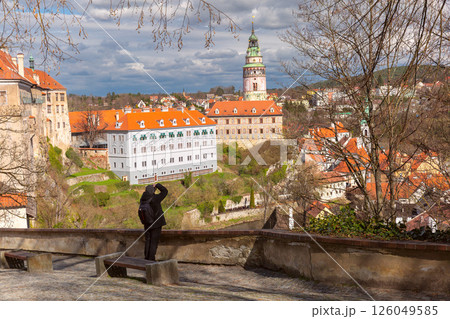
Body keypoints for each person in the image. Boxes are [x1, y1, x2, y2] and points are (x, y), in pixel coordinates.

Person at [140, 183, 168, 261]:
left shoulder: (142, 199)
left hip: (147, 223)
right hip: (156, 224)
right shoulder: (155, 198)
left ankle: (146, 258)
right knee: (153, 242)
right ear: (153, 191)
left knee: (148, 241)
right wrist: (157, 185)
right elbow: (165, 191)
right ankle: (151, 259)